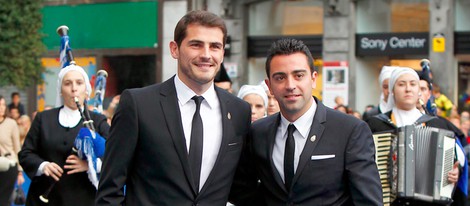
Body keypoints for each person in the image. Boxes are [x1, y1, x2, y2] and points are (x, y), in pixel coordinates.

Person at [95, 10, 251, 205]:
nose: (206, 55)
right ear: (174, 49)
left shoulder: (239, 111)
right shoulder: (138, 105)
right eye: (196, 45)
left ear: (222, 53)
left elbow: (242, 190)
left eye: (215, 46)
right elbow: (110, 191)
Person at [230, 38, 382, 205]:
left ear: (313, 78)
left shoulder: (350, 130)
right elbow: (243, 191)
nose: (290, 85)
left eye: (299, 75)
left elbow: (368, 201)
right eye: (280, 78)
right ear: (269, 86)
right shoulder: (258, 132)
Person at [367, 67, 464, 205]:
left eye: (413, 84)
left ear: (419, 91)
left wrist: (455, 172)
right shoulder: (375, 124)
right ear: (392, 90)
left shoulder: (436, 124)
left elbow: (453, 162)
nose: (408, 89)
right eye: (401, 84)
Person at [19, 64, 110, 206]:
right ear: (60, 91)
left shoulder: (97, 121)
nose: (74, 88)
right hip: (44, 198)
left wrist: (90, 165)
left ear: (86, 90)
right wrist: (43, 166)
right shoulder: (43, 118)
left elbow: (115, 154)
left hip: (84, 198)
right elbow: (26, 153)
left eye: (79, 83)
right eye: (67, 83)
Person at [0, 95, 24, 205]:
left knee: (4, 200)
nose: (2, 108)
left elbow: (17, 148)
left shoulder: (11, 123)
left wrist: (20, 171)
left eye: (3, 105)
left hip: (9, 165)